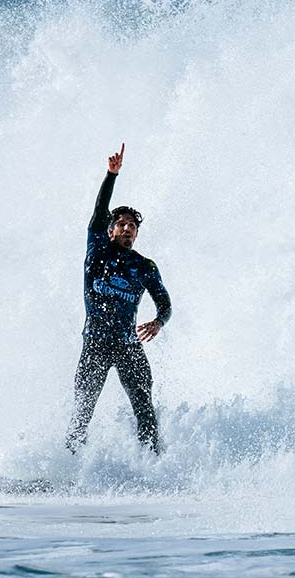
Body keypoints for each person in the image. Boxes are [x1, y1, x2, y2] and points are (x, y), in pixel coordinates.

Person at [65, 143, 172, 455]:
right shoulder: (96, 251)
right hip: (96, 343)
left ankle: (151, 464)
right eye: (122, 224)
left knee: (144, 407)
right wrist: (111, 175)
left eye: (133, 227)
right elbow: (99, 212)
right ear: (110, 230)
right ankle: (69, 465)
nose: (128, 229)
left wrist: (158, 321)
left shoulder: (144, 266)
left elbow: (164, 303)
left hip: (128, 345)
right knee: (83, 410)